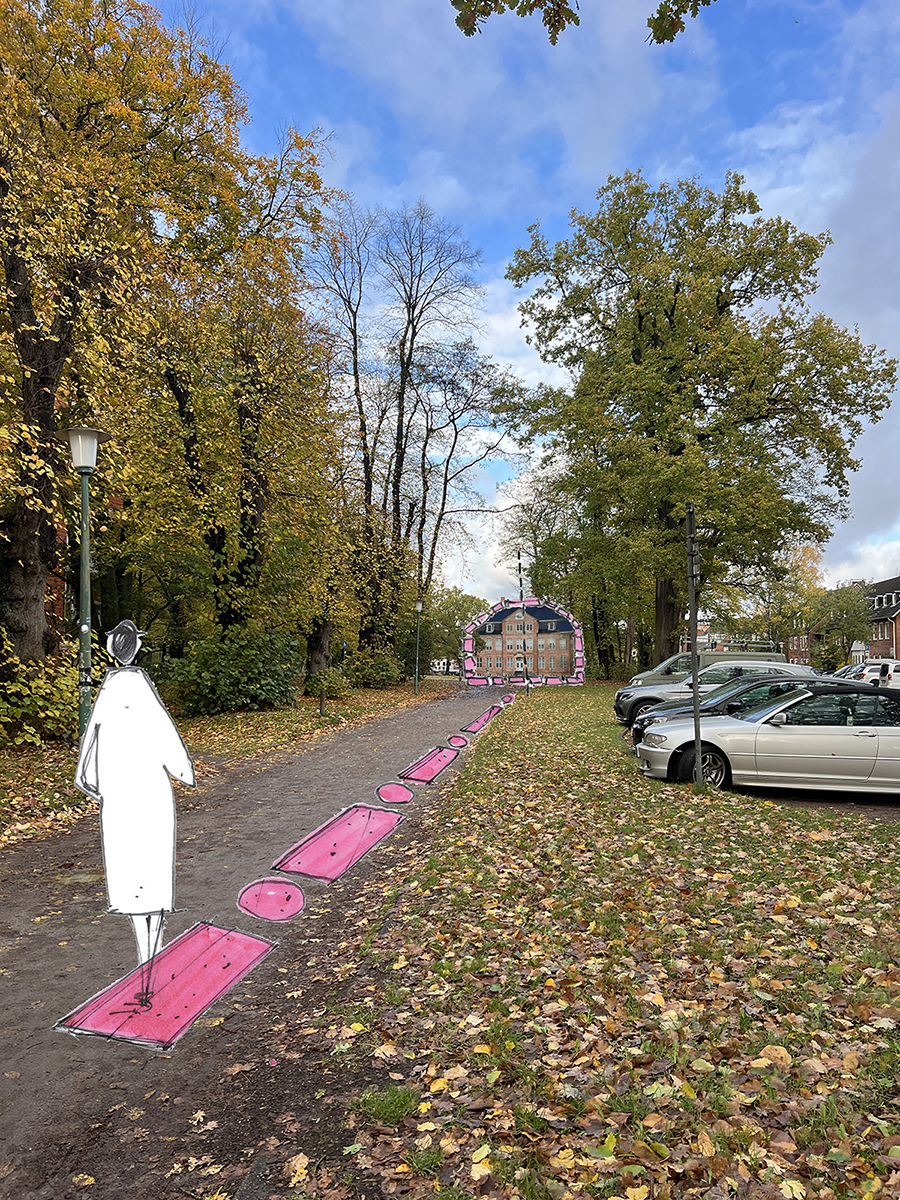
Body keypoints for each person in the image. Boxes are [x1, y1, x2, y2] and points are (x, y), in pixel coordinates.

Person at [74, 620, 195, 1004]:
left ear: (111, 649)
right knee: (153, 881)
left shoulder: (106, 695)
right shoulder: (145, 694)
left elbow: (85, 769)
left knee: (131, 882)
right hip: (151, 796)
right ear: (136, 648)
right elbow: (174, 753)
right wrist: (183, 773)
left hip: (120, 800)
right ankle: (152, 964)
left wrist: (102, 787)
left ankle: (145, 967)